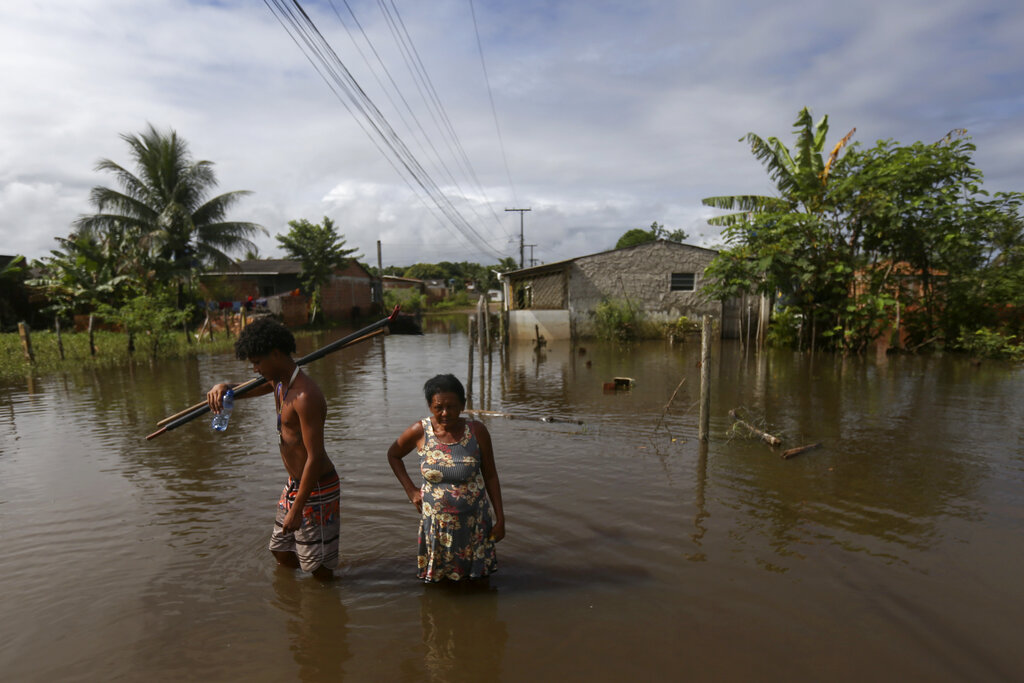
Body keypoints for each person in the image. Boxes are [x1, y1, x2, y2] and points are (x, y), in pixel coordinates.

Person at [207, 317, 339, 580]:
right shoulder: (279, 383)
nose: (255, 369)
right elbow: (243, 391)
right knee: (280, 550)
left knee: (319, 569)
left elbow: (315, 456)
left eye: (257, 362)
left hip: (316, 486)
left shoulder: (305, 396)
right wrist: (224, 387)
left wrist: (298, 507)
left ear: (276, 354)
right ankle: (295, 602)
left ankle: (323, 609)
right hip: (294, 483)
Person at [387, 374, 505, 582]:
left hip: (474, 523)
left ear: (462, 405)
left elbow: (491, 476)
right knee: (439, 582)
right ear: (430, 406)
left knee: (476, 583)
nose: (445, 413)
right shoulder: (420, 431)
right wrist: (412, 491)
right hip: (437, 525)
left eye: (451, 406)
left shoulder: (477, 431)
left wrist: (500, 518)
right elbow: (393, 455)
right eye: (438, 407)